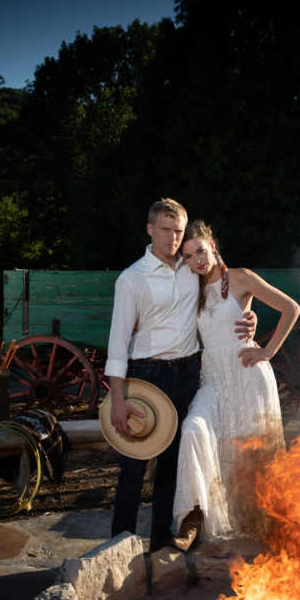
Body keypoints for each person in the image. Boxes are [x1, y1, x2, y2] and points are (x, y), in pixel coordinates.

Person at [104, 198, 256, 551]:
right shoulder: (132, 279)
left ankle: (159, 544)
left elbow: (227, 299)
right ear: (150, 230)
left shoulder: (192, 269)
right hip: (146, 375)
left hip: (189, 373)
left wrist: (251, 316)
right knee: (133, 467)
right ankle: (117, 546)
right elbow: (117, 342)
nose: (172, 237)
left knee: (171, 465)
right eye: (165, 229)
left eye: (177, 230)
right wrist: (117, 399)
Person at [172, 220, 300, 549]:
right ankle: (195, 515)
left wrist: (268, 350)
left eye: (200, 250)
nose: (197, 260)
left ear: (212, 246)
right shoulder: (191, 286)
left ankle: (270, 531)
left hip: (247, 377)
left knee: (253, 458)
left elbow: (291, 308)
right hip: (213, 378)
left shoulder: (241, 278)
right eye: (188, 256)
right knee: (192, 430)